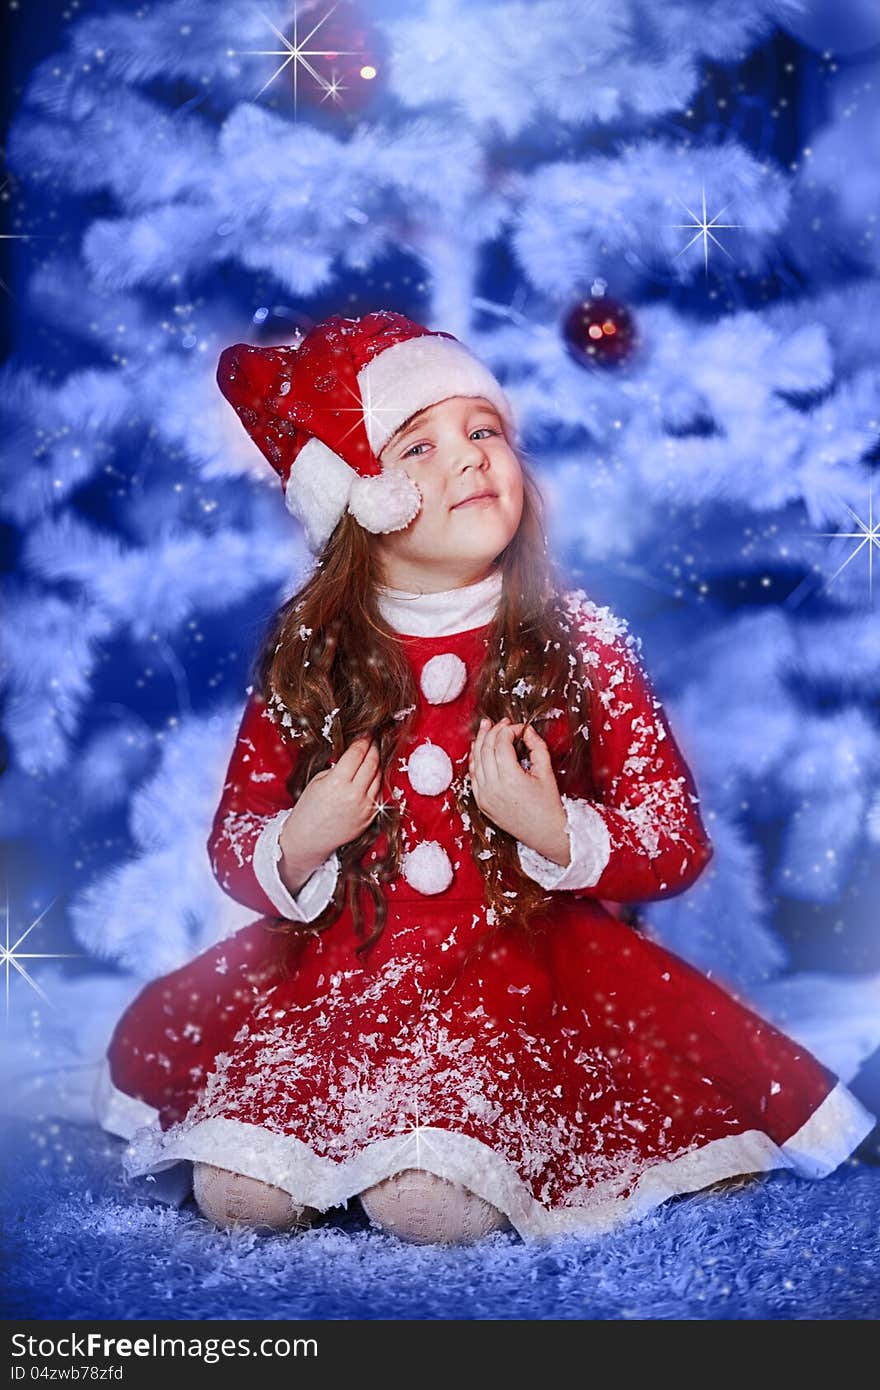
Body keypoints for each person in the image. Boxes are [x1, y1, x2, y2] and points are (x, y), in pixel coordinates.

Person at [93, 310, 875, 1245]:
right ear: (362, 501)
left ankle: (439, 1153)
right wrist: (304, 835)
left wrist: (552, 828)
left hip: (522, 972)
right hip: (337, 979)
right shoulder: (313, 650)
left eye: (484, 431)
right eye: (419, 445)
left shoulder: (582, 639)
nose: (469, 457)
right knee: (240, 1202)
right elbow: (233, 836)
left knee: (430, 1209)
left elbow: (675, 837)